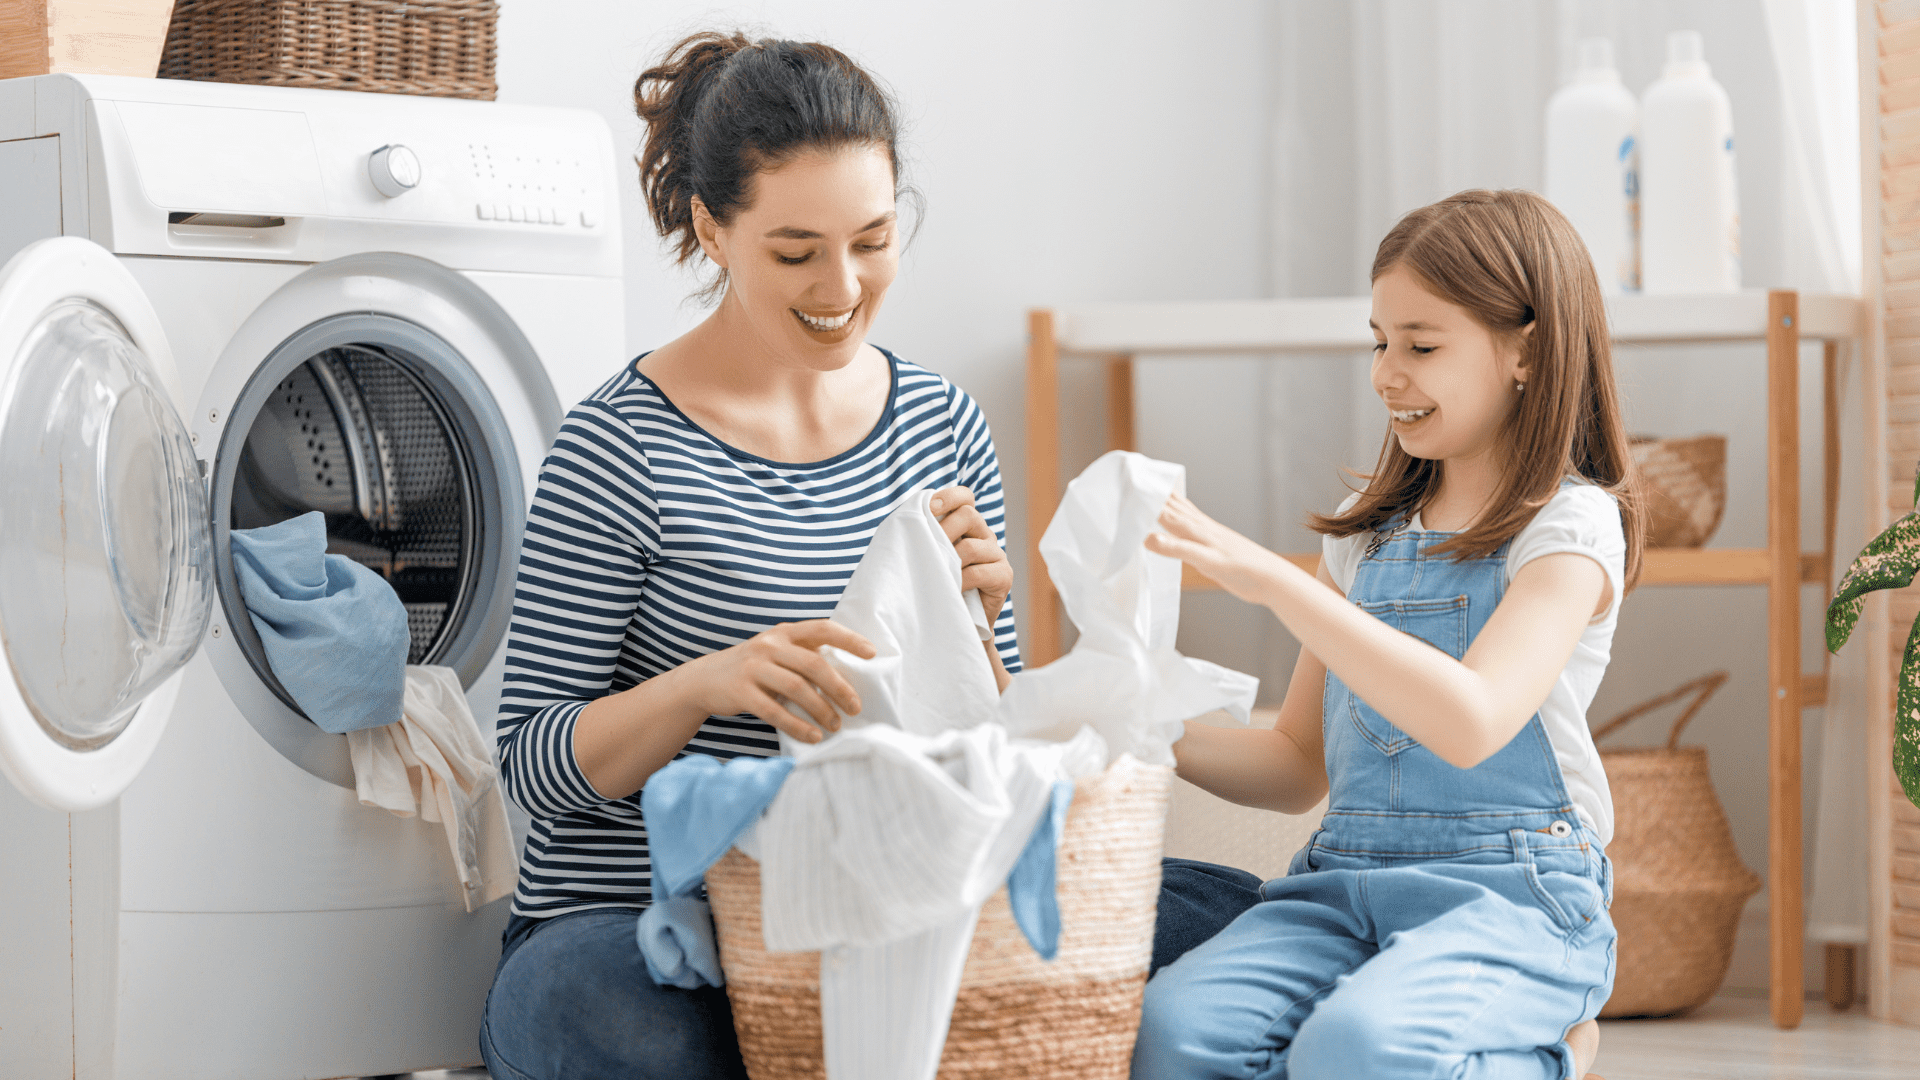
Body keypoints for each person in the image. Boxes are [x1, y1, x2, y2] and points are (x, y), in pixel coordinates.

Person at [476, 31, 1021, 1080]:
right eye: (796, 250)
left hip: (864, 904)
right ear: (711, 231)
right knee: (624, 1031)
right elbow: (532, 769)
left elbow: (996, 751)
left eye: (873, 238)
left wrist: (982, 638)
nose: (844, 284)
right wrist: (706, 686)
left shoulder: (941, 424)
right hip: (632, 917)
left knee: (1191, 923)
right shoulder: (619, 446)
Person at [1133, 189, 1638, 1080]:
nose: (1386, 373)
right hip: (1342, 880)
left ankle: (1553, 1056)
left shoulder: (1569, 529)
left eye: (1421, 345)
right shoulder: (1365, 537)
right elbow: (1295, 767)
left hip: (1512, 892)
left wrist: (1277, 585)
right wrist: (1134, 728)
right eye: (1380, 341)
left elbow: (1475, 718)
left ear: (1527, 351)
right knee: (1174, 1033)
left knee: (1358, 1048)